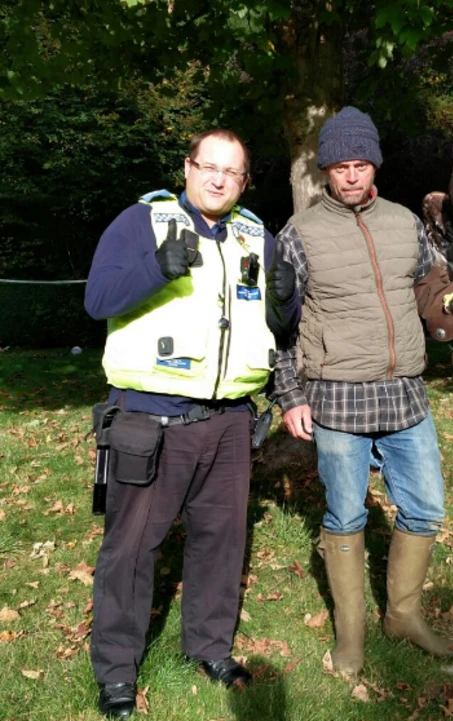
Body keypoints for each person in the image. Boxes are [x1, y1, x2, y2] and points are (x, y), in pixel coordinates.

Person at [85, 129, 299, 719]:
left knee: (221, 543)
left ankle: (208, 648)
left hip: (231, 421)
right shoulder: (141, 223)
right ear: (188, 167)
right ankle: (117, 674)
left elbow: (278, 326)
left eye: (232, 173)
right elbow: (98, 299)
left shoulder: (256, 235)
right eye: (209, 167)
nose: (219, 180)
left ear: (244, 182)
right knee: (131, 549)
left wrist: (287, 302)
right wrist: (155, 269)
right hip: (152, 418)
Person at [273, 107, 453, 676]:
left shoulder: (405, 223)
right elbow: (276, 324)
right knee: (345, 515)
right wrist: (290, 395)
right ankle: (350, 637)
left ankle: (403, 616)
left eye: (361, 164)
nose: (351, 176)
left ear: (375, 164)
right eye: (340, 166)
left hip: (405, 395)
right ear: (326, 169)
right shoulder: (297, 235)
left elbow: (432, 292)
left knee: (424, 509)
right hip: (336, 396)